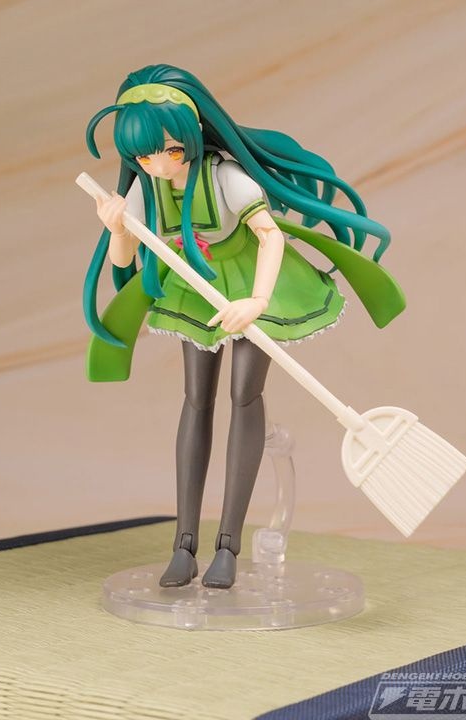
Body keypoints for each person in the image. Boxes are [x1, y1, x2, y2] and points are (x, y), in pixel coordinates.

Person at [83, 64, 405, 589]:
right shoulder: (147, 189)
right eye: (142, 156)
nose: (157, 164)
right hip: (197, 287)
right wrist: (116, 227)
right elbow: (125, 257)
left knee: (244, 395)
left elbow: (270, 236)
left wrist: (256, 300)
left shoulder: (224, 177)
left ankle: (228, 545)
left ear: (190, 135)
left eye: (168, 151)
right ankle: (184, 544)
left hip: (255, 280)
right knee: (196, 399)